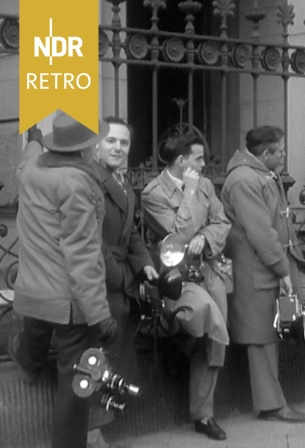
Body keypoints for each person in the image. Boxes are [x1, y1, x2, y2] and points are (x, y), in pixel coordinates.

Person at [11, 112, 117, 448]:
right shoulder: (77, 184)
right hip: (69, 303)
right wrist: (100, 315)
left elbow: (29, 154)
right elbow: (83, 256)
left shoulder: (30, 170)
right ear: (87, 148)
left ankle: (26, 363)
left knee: (35, 335)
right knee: (75, 385)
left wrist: (35, 139)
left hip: (31, 293)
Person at [221, 125, 305, 423]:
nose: (283, 157)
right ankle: (272, 406)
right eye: (280, 152)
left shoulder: (256, 174)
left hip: (264, 268)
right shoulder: (245, 179)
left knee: (269, 335)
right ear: (265, 152)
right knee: (261, 339)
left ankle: (273, 402)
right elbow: (261, 233)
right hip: (257, 271)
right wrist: (284, 271)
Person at [141, 131, 230, 441]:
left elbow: (222, 222)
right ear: (181, 161)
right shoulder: (154, 193)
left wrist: (205, 237)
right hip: (174, 277)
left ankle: (204, 415)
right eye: (198, 158)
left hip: (205, 268)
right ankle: (180, 347)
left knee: (215, 337)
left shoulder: (206, 185)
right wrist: (189, 194)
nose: (204, 164)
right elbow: (176, 235)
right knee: (207, 321)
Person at [86, 117, 159, 448]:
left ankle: (105, 422)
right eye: (111, 141)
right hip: (98, 281)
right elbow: (90, 243)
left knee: (115, 352)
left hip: (119, 279)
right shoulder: (90, 181)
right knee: (96, 354)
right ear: (97, 144)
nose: (117, 147)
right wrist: (124, 277)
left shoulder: (123, 184)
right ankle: (92, 431)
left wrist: (146, 266)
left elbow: (131, 235)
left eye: (124, 142)